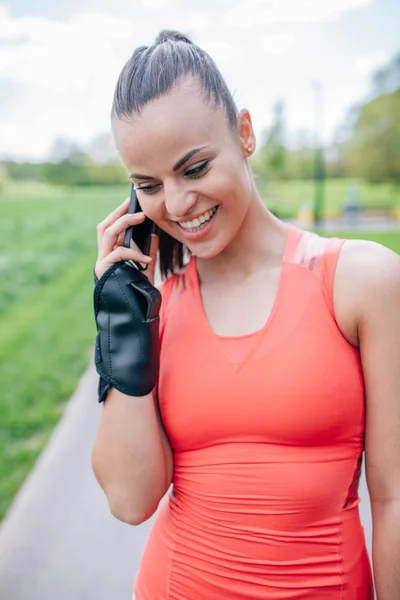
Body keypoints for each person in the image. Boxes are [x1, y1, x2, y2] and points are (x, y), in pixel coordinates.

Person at [91, 30, 400, 600]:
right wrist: (121, 325)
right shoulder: (155, 309)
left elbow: (394, 494)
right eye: (149, 185)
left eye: (196, 167)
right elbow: (130, 500)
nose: (179, 204)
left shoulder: (360, 281)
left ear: (246, 133)